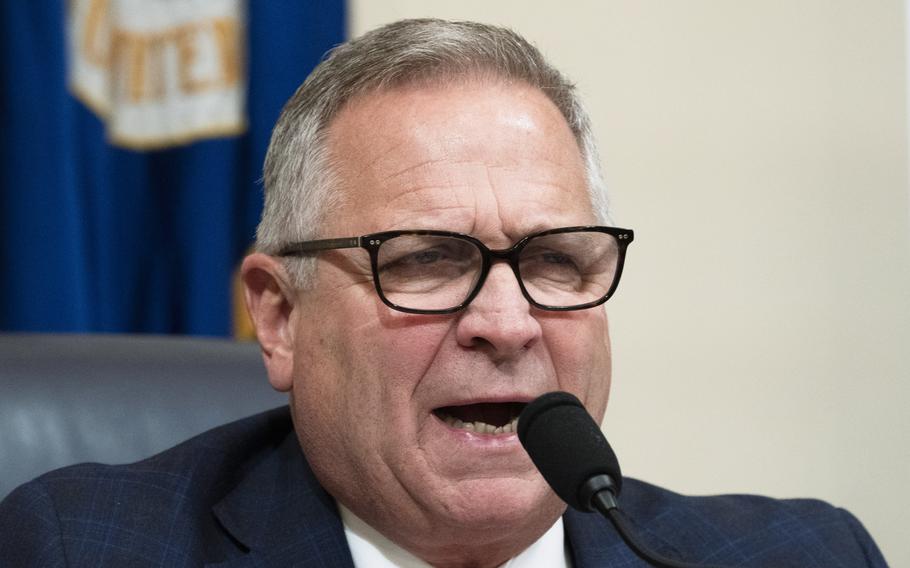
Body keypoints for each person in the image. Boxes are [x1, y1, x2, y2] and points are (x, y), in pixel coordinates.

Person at [0, 19, 887, 568]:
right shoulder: (83, 550)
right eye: (426, 260)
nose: (506, 324)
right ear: (280, 317)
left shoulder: (806, 555)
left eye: (555, 261)